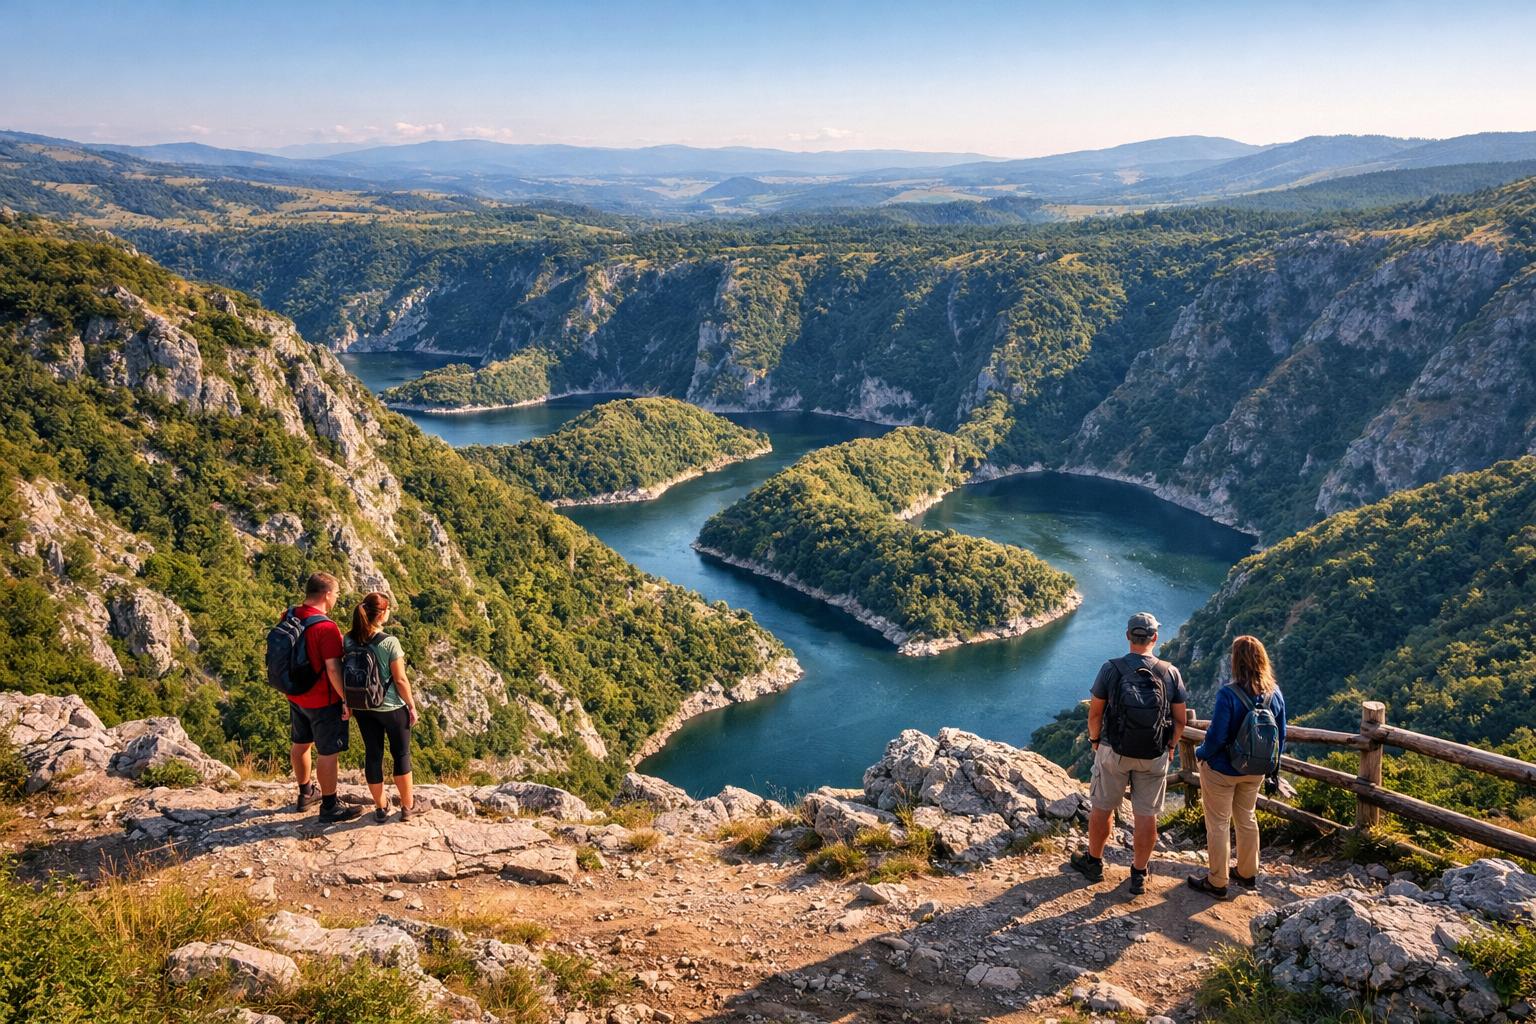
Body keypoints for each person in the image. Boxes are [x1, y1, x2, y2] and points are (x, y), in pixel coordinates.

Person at [1070, 612, 1187, 895]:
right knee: (1146, 815)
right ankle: (1138, 874)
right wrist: (1171, 747)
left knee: (1102, 807)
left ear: (1127, 636)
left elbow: (1095, 712)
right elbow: (1180, 720)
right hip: (1154, 753)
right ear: (1154, 638)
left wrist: (1096, 741)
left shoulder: (1111, 669)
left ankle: (1094, 863)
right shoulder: (1169, 672)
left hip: (1114, 750)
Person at [1187, 635, 1288, 899]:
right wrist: (1273, 770)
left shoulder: (1228, 694)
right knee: (1247, 818)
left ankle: (1217, 881)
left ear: (1235, 662)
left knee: (1218, 824)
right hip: (1255, 769)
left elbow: (1217, 736)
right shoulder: (1274, 693)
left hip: (1222, 769)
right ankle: (1247, 872)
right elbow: (1281, 735)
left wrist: (1202, 754)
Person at [282, 572, 361, 823]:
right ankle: (329, 806)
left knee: (301, 743)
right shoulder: (326, 627)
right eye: (337, 594)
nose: (337, 598)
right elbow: (333, 669)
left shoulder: (290, 615)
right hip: (323, 700)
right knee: (328, 753)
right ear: (327, 594)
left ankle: (306, 792)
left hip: (296, 695)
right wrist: (346, 698)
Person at [343, 592, 422, 823]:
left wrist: (346, 702)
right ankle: (408, 807)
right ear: (382, 613)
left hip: (364, 707)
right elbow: (400, 680)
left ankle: (380, 807)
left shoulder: (348, 640)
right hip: (391, 708)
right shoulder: (390, 642)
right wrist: (411, 705)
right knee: (401, 755)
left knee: (373, 755)